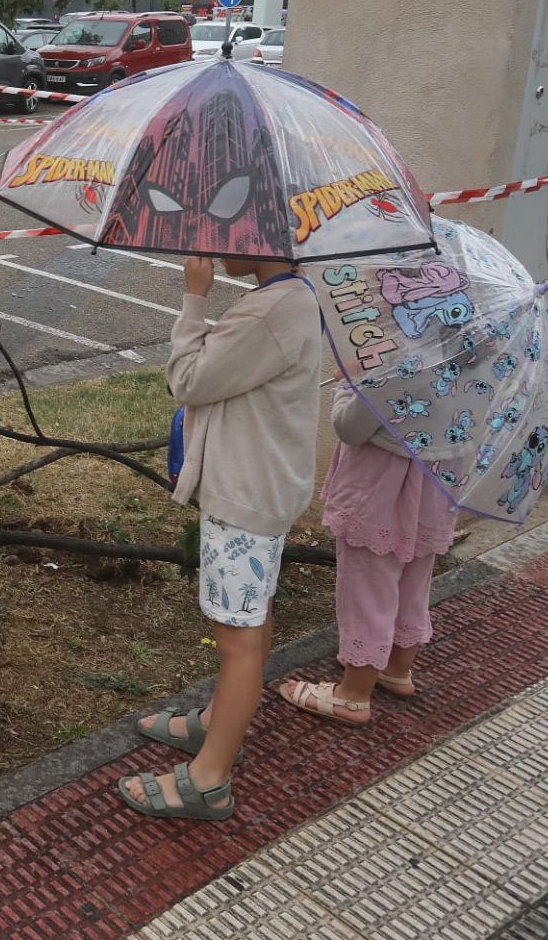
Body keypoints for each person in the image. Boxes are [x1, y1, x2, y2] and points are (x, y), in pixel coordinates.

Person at [120, 254, 321, 821]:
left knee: (238, 641)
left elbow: (186, 380)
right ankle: (216, 723)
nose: (216, 244)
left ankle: (209, 780)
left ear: (263, 239)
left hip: (245, 499)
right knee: (252, 619)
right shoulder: (290, 297)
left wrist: (195, 297)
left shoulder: (271, 311)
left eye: (229, 230)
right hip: (261, 492)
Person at [273, 382, 457, 724]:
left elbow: (351, 427)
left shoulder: (399, 364)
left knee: (367, 588)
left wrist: (349, 386)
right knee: (414, 580)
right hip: (437, 483)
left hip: (380, 489)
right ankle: (396, 668)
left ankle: (353, 695)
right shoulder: (474, 358)